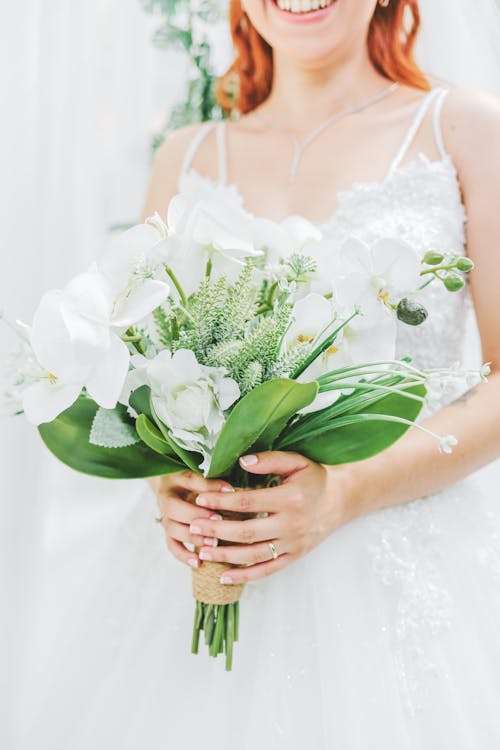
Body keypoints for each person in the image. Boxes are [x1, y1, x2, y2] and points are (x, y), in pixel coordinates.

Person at [20, 1, 500, 748]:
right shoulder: (184, 155)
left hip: (399, 573)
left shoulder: (462, 128)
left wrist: (344, 492)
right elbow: (143, 363)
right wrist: (169, 480)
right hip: (201, 573)